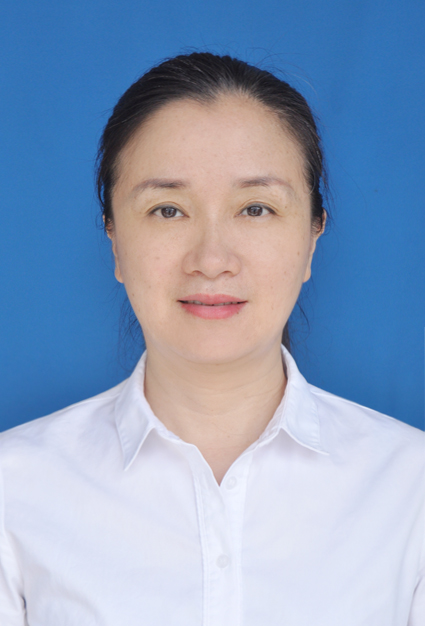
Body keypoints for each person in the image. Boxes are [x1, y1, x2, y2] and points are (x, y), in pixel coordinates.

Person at [0, 52, 424, 626]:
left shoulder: (410, 490)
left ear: (313, 236)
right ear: (115, 240)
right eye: (167, 210)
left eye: (256, 208)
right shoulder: (13, 490)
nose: (212, 259)